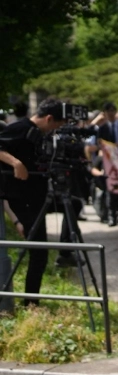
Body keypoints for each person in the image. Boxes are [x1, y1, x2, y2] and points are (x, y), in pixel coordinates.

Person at [0, 98, 69, 301]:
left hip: (36, 198)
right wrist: (16, 163)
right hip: (22, 199)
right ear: (48, 118)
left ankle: (31, 299)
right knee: (38, 252)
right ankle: (30, 301)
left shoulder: (40, 135)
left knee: (39, 253)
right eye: (56, 125)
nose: (55, 129)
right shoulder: (21, 128)